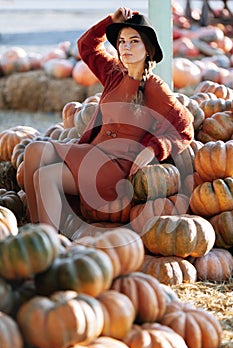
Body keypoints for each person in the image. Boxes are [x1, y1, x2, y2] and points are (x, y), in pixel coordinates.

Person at [23, 7, 194, 236]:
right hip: (92, 152)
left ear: (148, 48)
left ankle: (49, 244)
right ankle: (34, 234)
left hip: (115, 169)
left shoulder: (155, 88)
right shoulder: (114, 73)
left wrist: (153, 150)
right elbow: (86, 47)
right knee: (34, 150)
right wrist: (109, 22)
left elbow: (184, 128)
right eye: (122, 42)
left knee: (46, 176)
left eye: (134, 41)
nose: (126, 47)